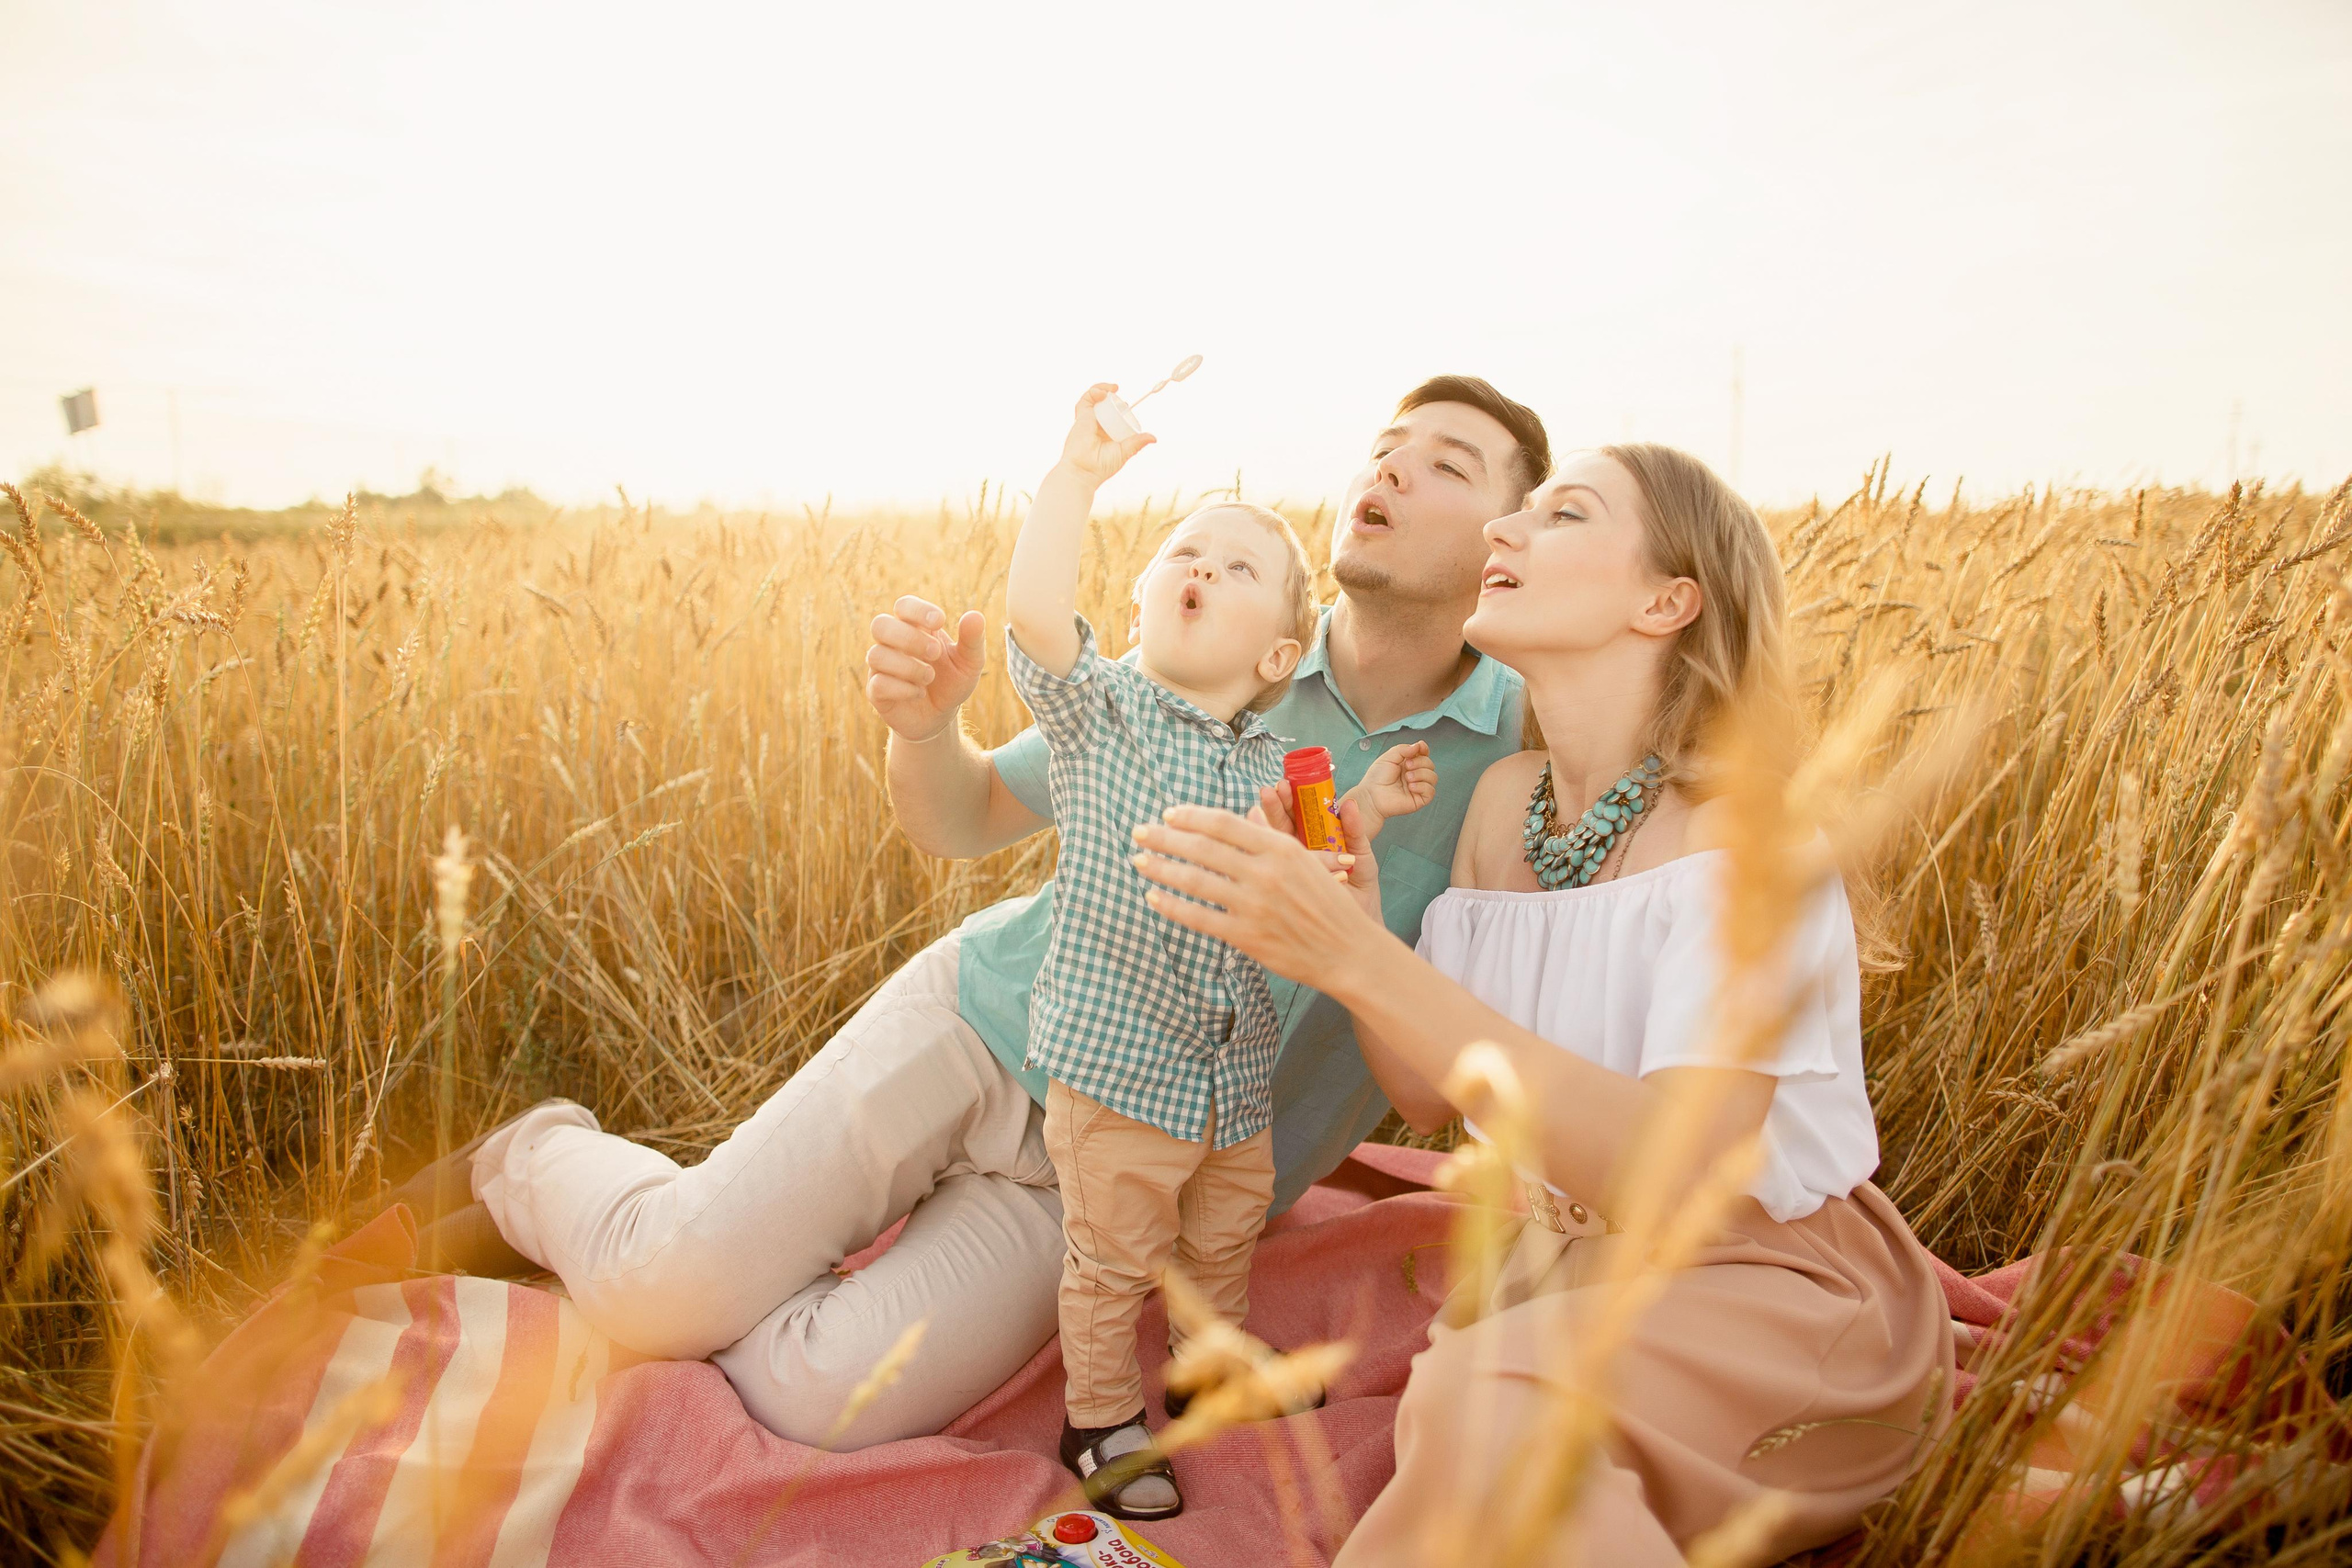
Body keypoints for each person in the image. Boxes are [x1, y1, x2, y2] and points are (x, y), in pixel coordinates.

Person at [393, 375, 1550, 1451]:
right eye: (1385, 448)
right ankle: (532, 1155)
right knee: (664, 1293)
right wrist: (925, 727)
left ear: (1509, 539)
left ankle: (708, 1256)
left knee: (823, 1399)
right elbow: (963, 815)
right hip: (992, 1028)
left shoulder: (1517, 764)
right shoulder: (1229, 645)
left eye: (1445, 464)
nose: (1389, 470)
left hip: (1123, 1174)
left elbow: (1442, 1080)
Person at [1125, 444, 1955, 1564]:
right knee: (1482, 1414)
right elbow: (1429, 1095)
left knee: (1487, 1411)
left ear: (1665, 602)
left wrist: (1359, 960)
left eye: (1563, 514)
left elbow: (1675, 1174)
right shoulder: (1506, 802)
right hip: (1559, 1275)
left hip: (1768, 1292)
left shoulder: (1748, 835)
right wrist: (1355, 929)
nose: (1499, 531)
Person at [999, 385, 1432, 1517]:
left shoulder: (1277, 764)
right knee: (1110, 1261)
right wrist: (1075, 479)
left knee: (1222, 1241)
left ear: (1280, 651)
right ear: (1140, 600)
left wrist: (1370, 808)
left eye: (1238, 567)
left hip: (1234, 1080)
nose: (1201, 565)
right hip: (1119, 1071)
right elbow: (1036, 613)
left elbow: (1321, 861)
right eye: (1184, 552)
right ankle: (1100, 1418)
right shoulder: (1101, 712)